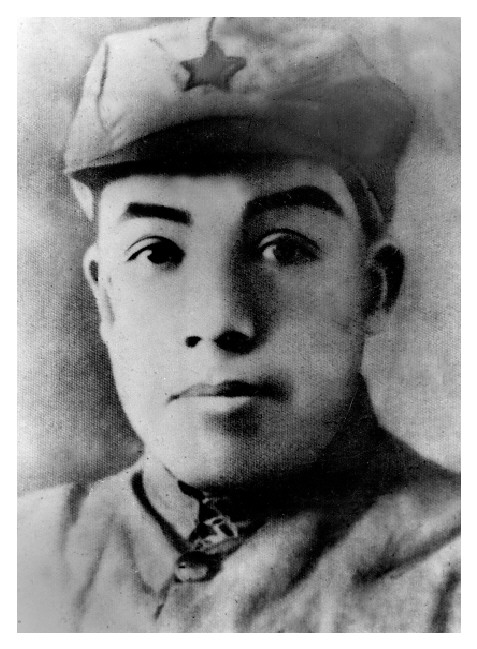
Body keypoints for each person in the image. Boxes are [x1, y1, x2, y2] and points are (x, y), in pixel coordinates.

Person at [17, 18, 460, 632]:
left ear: (373, 288)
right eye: (157, 252)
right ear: (106, 298)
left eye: (285, 248)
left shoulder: (453, 576)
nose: (222, 320)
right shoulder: (24, 553)